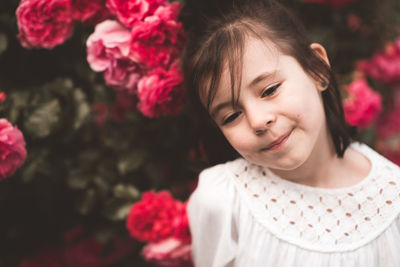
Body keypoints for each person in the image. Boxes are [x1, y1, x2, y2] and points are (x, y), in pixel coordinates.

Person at [179, 0, 400, 266]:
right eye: (231, 116)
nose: (258, 121)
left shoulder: (391, 201)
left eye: (270, 90)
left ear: (316, 68)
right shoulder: (223, 202)